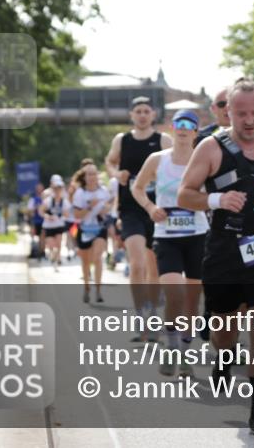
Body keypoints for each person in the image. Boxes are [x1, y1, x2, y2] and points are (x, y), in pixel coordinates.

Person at [179, 79, 254, 438]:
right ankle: (223, 358)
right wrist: (217, 200)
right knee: (224, 333)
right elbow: (184, 194)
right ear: (228, 112)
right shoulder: (211, 147)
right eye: (241, 113)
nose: (249, 120)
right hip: (224, 250)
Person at [133, 109, 208, 378]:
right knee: (175, 294)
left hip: (198, 234)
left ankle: (185, 351)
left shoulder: (204, 159)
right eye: (179, 123)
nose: (184, 128)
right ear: (171, 128)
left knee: (192, 300)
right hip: (167, 236)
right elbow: (137, 187)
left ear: (196, 132)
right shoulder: (158, 159)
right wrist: (151, 207)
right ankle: (172, 344)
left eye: (190, 124)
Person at [106, 97, 172, 336]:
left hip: (156, 209)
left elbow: (177, 166)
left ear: (153, 114)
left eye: (146, 111)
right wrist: (117, 174)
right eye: (138, 111)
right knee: (137, 263)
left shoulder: (163, 140)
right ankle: (140, 316)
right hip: (130, 208)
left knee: (153, 267)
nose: (142, 115)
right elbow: (110, 162)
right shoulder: (121, 140)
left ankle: (152, 314)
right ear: (131, 115)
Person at [71, 163, 110, 304]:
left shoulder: (104, 191)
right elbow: (76, 214)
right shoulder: (80, 193)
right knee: (86, 261)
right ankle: (87, 287)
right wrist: (89, 206)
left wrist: (105, 210)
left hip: (100, 228)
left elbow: (109, 207)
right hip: (84, 229)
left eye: (94, 174)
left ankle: (98, 291)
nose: (92, 177)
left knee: (97, 257)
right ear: (85, 177)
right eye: (89, 174)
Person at [39, 175, 71, 271]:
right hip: (49, 226)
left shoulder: (64, 199)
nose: (58, 190)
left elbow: (67, 213)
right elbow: (41, 210)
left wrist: (60, 216)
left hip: (59, 225)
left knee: (58, 244)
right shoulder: (48, 198)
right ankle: (52, 255)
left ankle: (56, 262)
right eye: (56, 188)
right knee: (51, 244)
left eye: (59, 188)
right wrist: (47, 216)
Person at [28, 183, 45, 259]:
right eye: (38, 189)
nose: (39, 190)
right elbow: (29, 211)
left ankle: (42, 252)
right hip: (35, 221)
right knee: (34, 237)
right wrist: (35, 208)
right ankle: (35, 251)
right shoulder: (33, 199)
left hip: (43, 221)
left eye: (40, 188)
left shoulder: (46, 199)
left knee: (43, 237)